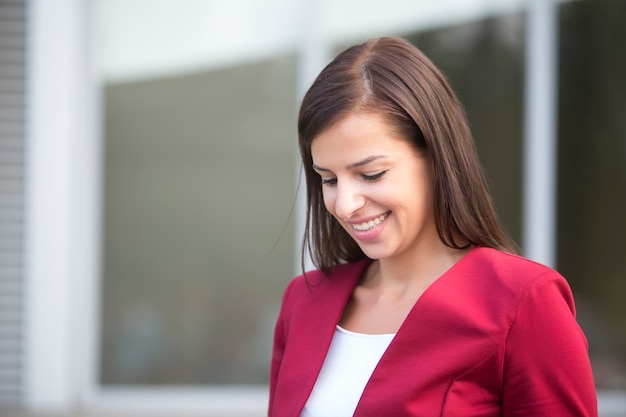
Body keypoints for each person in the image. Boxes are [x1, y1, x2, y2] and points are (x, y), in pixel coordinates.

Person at [269, 36, 597, 417]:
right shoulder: (304, 301)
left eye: (371, 174)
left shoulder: (523, 303)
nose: (344, 204)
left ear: (436, 157)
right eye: (328, 179)